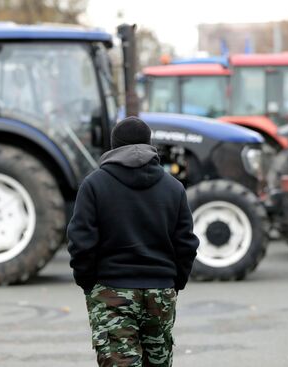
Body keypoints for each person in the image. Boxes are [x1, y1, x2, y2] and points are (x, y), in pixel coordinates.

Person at [67, 116, 200, 367]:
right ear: (150, 144)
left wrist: (88, 283)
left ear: (113, 146)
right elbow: (186, 244)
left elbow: (80, 242)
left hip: (111, 290)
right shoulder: (173, 188)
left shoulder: (94, 185)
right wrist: (172, 283)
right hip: (160, 292)